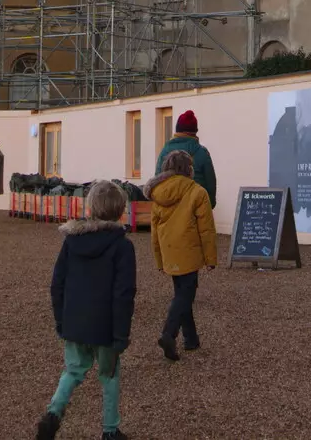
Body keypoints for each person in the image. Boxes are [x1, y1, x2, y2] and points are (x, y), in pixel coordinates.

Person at [36, 179, 135, 440]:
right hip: (106, 325)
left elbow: (57, 284)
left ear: (89, 208)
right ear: (120, 211)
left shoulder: (72, 242)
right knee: (109, 375)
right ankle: (110, 430)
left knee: (72, 371)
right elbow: (124, 294)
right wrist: (122, 334)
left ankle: (53, 413)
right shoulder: (122, 247)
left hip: (75, 321)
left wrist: (61, 321)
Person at [147, 149, 217, 360]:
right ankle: (169, 333)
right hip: (189, 250)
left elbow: (154, 230)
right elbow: (206, 229)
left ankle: (191, 339)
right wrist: (210, 258)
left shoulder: (158, 193)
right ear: (188, 169)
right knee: (185, 295)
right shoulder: (197, 192)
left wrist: (159, 259)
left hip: (169, 251)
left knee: (182, 293)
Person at [155, 109, 217, 208]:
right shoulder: (202, 152)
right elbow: (210, 183)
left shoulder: (165, 151)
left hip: (169, 210)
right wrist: (209, 205)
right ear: (195, 131)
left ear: (177, 130)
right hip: (196, 208)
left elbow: (157, 181)